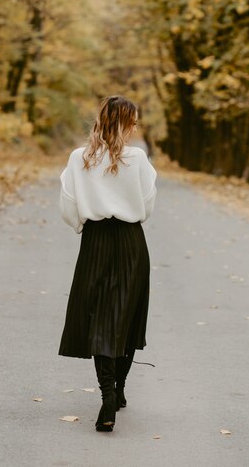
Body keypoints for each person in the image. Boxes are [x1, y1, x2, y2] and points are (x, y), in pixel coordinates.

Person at [58, 95, 157, 433]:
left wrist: (81, 224)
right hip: (131, 241)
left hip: (96, 241)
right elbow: (148, 202)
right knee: (126, 316)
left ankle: (108, 397)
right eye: (134, 122)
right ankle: (119, 388)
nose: (135, 128)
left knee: (101, 317)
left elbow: (68, 203)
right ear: (126, 122)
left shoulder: (79, 158)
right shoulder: (138, 158)